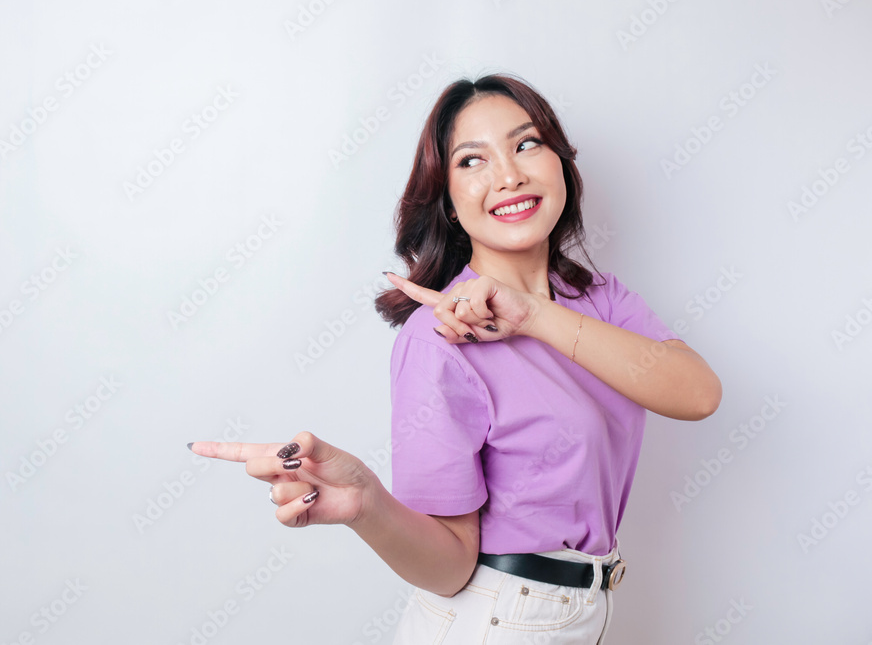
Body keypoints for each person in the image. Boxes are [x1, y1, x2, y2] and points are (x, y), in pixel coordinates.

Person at [188, 73, 722, 643]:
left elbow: (698, 394)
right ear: (447, 200)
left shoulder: (598, 300)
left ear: (561, 163)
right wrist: (367, 504)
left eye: (526, 144)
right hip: (500, 621)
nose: (509, 175)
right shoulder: (438, 338)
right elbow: (449, 568)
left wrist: (532, 314)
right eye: (472, 160)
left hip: (585, 612)